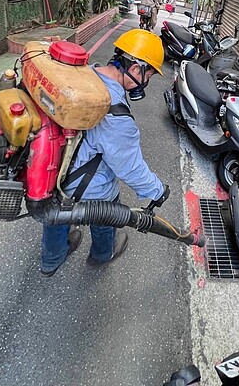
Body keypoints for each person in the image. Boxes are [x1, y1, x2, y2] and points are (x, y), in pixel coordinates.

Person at [40, 28, 169, 276]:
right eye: (149, 75)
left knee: (55, 213)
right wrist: (157, 190)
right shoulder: (116, 116)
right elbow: (129, 167)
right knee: (107, 208)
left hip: (54, 174)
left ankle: (51, 259)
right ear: (135, 69)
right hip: (87, 186)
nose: (147, 82)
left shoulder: (88, 74)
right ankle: (102, 253)